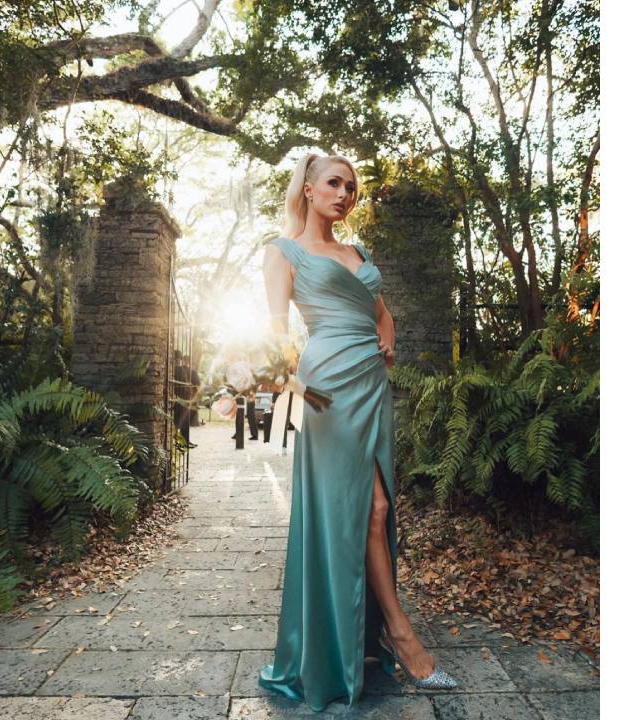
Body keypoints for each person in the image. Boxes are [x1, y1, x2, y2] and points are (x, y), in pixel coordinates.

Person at [257, 154, 457, 711]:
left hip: (370, 383)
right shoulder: (284, 251)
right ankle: (399, 635)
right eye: (334, 183)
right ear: (309, 188)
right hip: (326, 386)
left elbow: (381, 313)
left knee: (377, 508)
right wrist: (295, 389)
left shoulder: (358, 252)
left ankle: (369, 637)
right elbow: (275, 335)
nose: (345, 193)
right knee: (364, 509)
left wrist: (387, 343)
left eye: (351, 186)